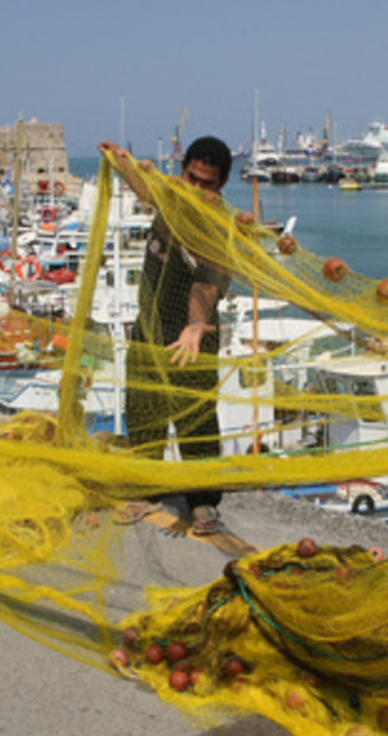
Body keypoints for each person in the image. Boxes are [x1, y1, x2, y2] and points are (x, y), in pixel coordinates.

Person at [99, 137, 234, 535]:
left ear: (222, 185)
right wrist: (121, 160)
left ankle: (204, 501)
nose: (197, 189)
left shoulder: (216, 226)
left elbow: (206, 283)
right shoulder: (170, 199)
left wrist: (194, 325)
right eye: (191, 178)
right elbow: (146, 185)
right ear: (182, 172)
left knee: (196, 418)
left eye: (207, 184)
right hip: (149, 328)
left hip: (194, 335)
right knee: (144, 410)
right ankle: (145, 489)